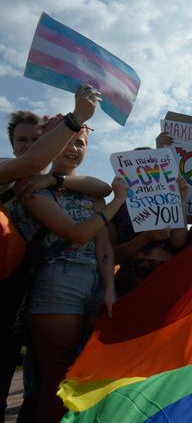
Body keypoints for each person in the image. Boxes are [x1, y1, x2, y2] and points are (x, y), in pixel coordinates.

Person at [1, 87, 107, 419]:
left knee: (57, 378)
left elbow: (99, 187)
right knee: (48, 380)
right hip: (29, 292)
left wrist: (57, 181)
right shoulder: (17, 179)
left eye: (39, 139)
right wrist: (78, 117)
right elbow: (31, 164)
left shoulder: (51, 182)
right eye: (23, 140)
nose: (31, 147)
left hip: (42, 292)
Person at [19, 119, 127, 423]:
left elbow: (103, 246)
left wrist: (108, 288)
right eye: (66, 141)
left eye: (80, 143)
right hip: (56, 282)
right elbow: (78, 234)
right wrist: (117, 201)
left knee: (89, 374)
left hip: (93, 284)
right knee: (57, 378)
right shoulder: (30, 187)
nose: (73, 148)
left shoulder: (91, 193)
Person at [108, 137, 190, 297]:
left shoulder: (170, 202)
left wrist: (182, 199)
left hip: (167, 276)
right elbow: (111, 256)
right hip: (133, 278)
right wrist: (146, 237)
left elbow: (179, 240)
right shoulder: (116, 208)